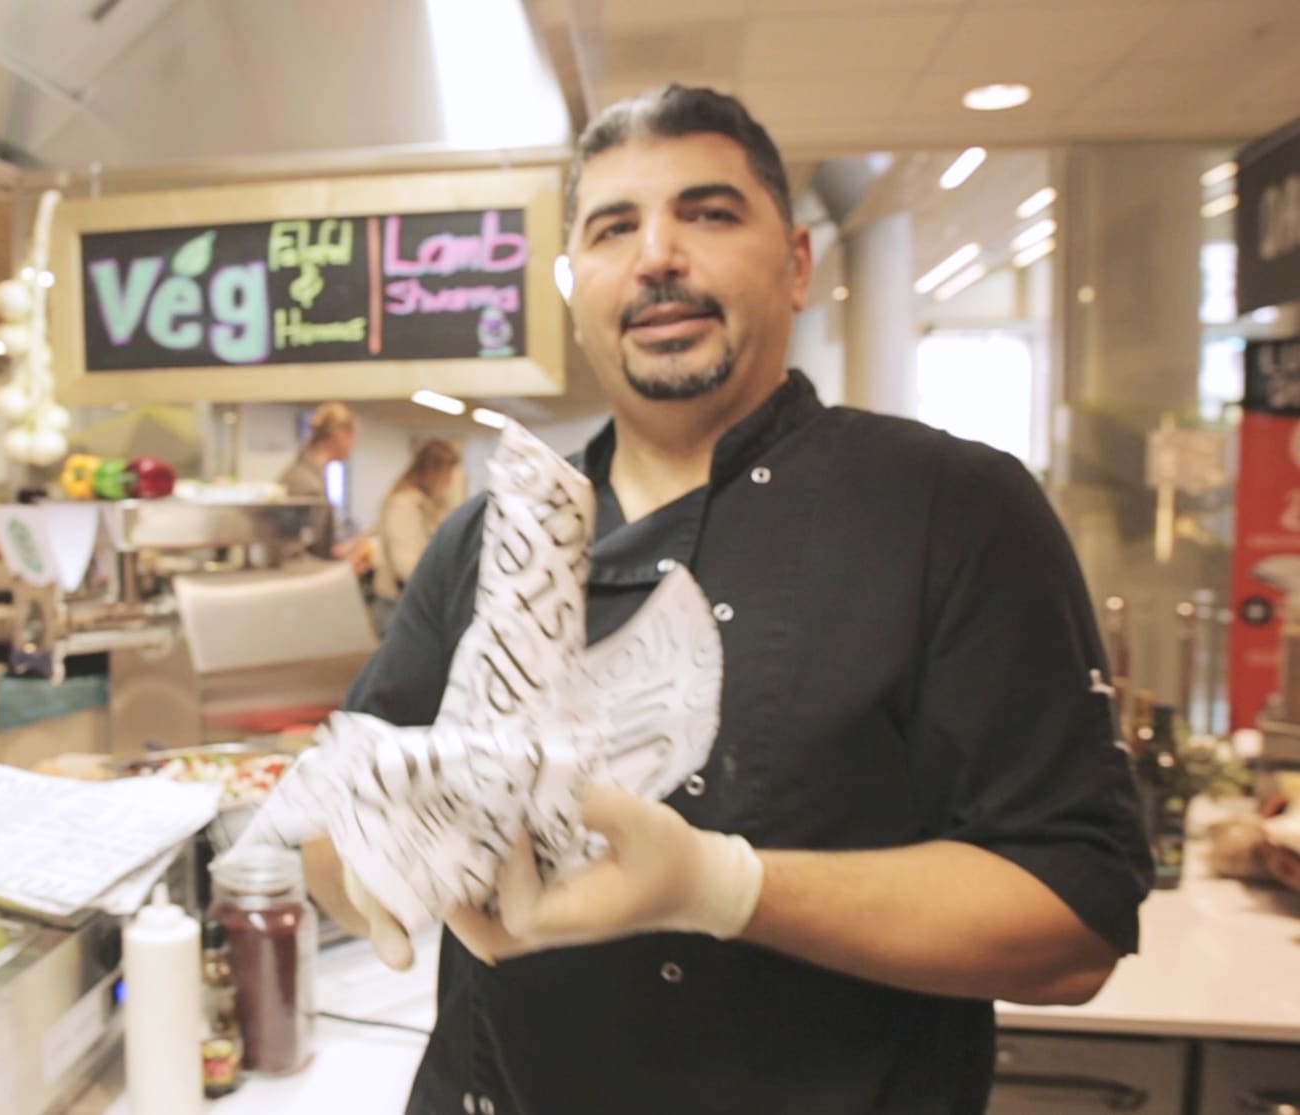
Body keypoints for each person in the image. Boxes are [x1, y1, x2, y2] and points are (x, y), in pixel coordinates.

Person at [301, 84, 1152, 1115]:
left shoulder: (955, 509)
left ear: (796, 266)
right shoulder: (485, 537)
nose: (658, 253)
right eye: (615, 227)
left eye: (708, 213)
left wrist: (719, 885)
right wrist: (371, 857)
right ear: (578, 289)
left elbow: (1073, 920)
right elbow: (331, 824)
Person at [371, 439, 462, 633]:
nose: (449, 481)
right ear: (431, 471)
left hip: (414, 602)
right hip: (397, 607)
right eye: (446, 473)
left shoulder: (430, 505)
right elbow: (405, 566)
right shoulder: (403, 504)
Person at [280, 401, 370, 570]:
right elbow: (292, 556)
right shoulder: (304, 484)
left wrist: (338, 552)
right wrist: (342, 569)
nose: (355, 444)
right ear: (340, 435)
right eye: (353, 436)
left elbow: (313, 545)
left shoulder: (309, 475)